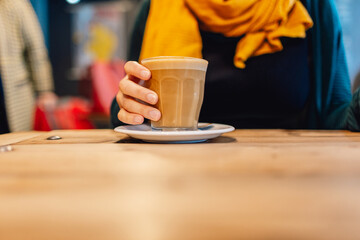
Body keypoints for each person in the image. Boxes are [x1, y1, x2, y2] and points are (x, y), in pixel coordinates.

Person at [111, 0, 360, 131]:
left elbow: (335, 113)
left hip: (294, 181)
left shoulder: (310, 6)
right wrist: (126, 106)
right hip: (178, 175)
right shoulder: (156, 8)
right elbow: (135, 98)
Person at [0, 0, 57, 134]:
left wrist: (45, 90)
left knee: (16, 140)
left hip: (11, 90)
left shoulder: (15, 3)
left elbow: (36, 49)